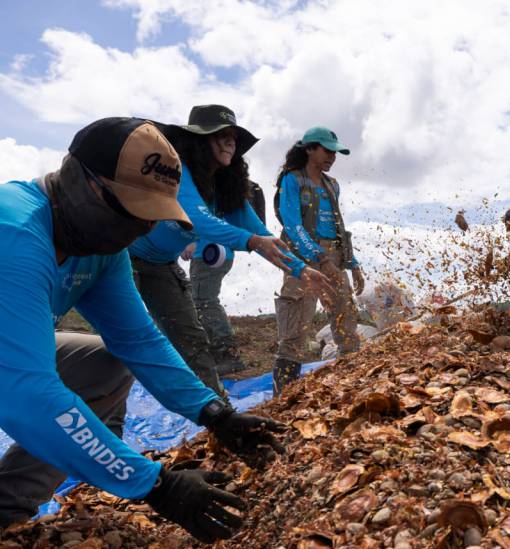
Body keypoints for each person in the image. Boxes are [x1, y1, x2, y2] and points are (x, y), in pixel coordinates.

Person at [0, 117, 288, 543]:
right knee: (38, 396)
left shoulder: (100, 248)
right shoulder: (17, 235)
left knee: (106, 363)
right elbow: (27, 393)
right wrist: (155, 484)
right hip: (15, 373)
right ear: (82, 181)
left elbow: (137, 339)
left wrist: (214, 414)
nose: (141, 229)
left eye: (151, 218)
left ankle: (5, 508)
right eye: (132, 211)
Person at [128, 105, 331, 394]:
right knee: (128, 336)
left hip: (162, 266)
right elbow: (197, 219)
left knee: (192, 339)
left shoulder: (227, 187)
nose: (230, 142)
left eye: (233, 137)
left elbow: (260, 234)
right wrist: (250, 242)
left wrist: (301, 269)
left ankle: (220, 414)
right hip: (126, 259)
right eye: (219, 135)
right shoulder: (177, 172)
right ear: (198, 141)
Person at [272, 126, 365, 394]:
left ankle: (353, 385)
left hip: (334, 257)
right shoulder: (293, 180)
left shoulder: (331, 185)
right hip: (303, 258)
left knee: (345, 318)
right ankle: (282, 396)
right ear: (310, 149)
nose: (332, 157)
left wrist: (352, 263)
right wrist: (319, 259)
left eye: (335, 152)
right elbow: (292, 224)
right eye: (327, 150)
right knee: (295, 328)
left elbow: (338, 225)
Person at [186, 180, 267, 376]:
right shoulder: (222, 187)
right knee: (203, 301)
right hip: (219, 252)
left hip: (208, 252)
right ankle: (220, 354)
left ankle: (228, 355)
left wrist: (192, 242)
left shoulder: (208, 187)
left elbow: (205, 221)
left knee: (204, 301)